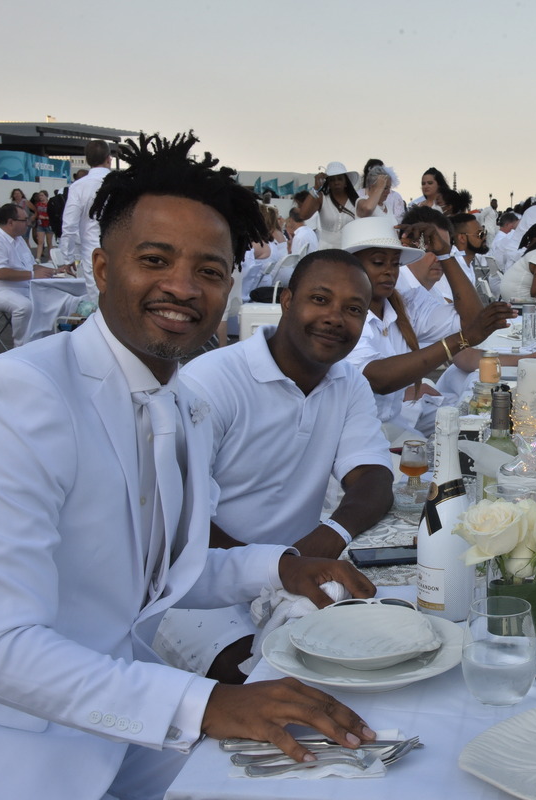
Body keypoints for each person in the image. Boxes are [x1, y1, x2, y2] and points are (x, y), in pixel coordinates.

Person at [0, 132, 379, 800]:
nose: (182, 286)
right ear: (103, 268)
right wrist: (204, 704)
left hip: (121, 733)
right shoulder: (23, 391)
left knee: (342, 768)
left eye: (209, 270)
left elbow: (156, 573)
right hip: (16, 752)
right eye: (155, 259)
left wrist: (279, 566)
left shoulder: (178, 401)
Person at [157, 250, 393, 684]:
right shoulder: (213, 380)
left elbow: (374, 478)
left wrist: (327, 538)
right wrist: (275, 565)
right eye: (319, 299)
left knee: (370, 659)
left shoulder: (348, 381)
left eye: (353, 309)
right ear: (286, 300)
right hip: (195, 581)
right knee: (263, 682)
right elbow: (178, 516)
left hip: (296, 573)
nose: (335, 318)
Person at [341, 216, 511, 441]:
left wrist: (445, 254)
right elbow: (378, 378)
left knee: (479, 428)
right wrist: (461, 339)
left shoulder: (403, 304)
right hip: (353, 435)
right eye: (379, 262)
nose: (390, 272)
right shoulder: (341, 316)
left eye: (395, 263)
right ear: (350, 267)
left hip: (391, 422)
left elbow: (471, 319)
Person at [0, 203, 57, 346]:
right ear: (11, 222)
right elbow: (1, 273)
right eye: (24, 220)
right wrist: (33, 274)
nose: (29, 223)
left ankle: (42, 342)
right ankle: (22, 346)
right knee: (24, 307)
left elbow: (31, 265)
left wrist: (53, 270)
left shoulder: (18, 239)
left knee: (54, 298)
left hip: (19, 287)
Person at [61, 138, 113, 301]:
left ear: (87, 160)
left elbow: (69, 225)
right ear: (108, 159)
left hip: (92, 253)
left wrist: (67, 258)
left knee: (98, 302)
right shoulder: (121, 183)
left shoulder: (79, 186)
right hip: (122, 250)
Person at [297, 161, 360, 249]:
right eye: (332, 179)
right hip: (326, 250)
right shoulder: (322, 198)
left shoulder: (356, 200)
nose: (336, 182)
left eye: (339, 179)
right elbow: (303, 215)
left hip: (349, 248)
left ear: (346, 182)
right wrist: (315, 188)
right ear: (328, 183)